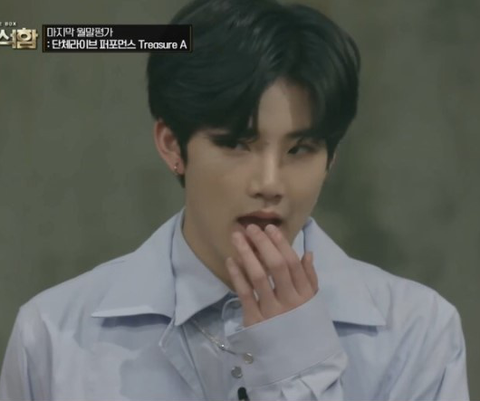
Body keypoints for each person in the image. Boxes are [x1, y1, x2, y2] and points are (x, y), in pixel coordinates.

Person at [0, 0, 470, 400]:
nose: (270, 183)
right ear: (171, 145)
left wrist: (299, 374)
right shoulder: (53, 335)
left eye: (300, 149)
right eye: (237, 144)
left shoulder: (416, 332)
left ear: (331, 158)